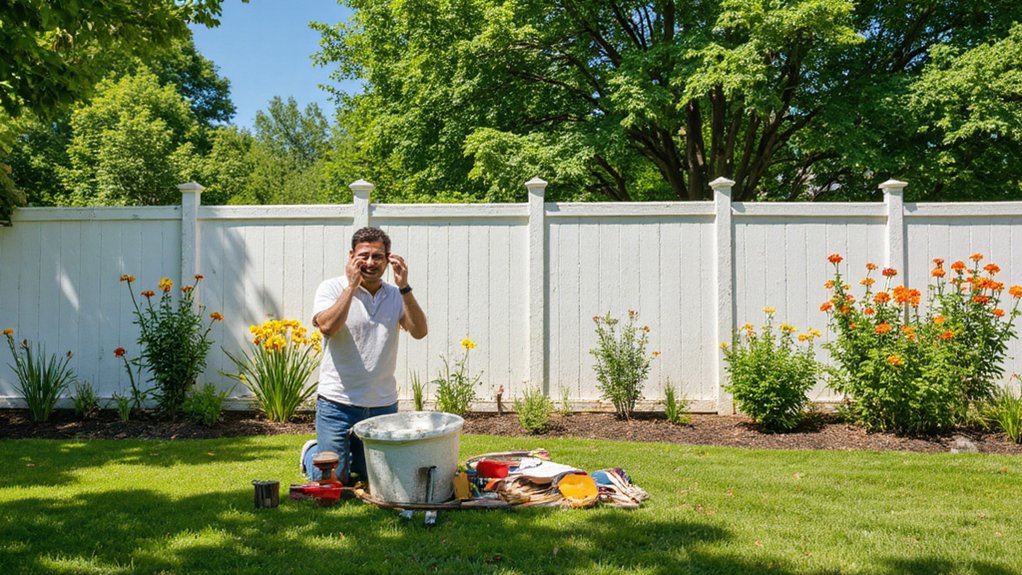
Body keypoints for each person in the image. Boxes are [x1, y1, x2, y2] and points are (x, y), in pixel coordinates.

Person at [300, 226, 428, 484]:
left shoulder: (396, 295)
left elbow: (419, 332)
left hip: (382, 405)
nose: (370, 262)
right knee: (335, 480)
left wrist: (404, 286)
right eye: (364, 256)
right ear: (351, 256)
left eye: (377, 256)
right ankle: (312, 452)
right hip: (337, 403)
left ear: (388, 259)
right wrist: (351, 287)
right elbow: (328, 327)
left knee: (379, 478)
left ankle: (354, 457)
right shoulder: (331, 288)